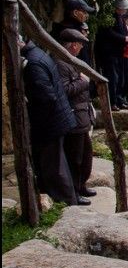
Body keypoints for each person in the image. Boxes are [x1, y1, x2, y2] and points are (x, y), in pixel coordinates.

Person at [22, 37, 79, 205]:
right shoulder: (38, 55)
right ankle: (67, 200)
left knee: (54, 168)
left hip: (51, 121)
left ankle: (66, 204)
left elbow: (46, 98)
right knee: (58, 164)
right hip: (58, 118)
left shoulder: (33, 64)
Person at [55, 29, 96, 202]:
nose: (80, 48)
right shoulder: (60, 64)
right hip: (73, 116)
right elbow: (64, 90)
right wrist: (83, 81)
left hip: (81, 115)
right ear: (73, 45)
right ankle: (74, 192)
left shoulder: (71, 61)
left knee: (85, 156)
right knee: (75, 157)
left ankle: (81, 186)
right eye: (79, 44)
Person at [96, 0, 128, 110]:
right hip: (110, 54)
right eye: (123, 9)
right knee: (113, 79)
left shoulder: (121, 18)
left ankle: (119, 100)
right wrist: (124, 38)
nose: (124, 11)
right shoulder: (110, 18)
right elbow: (108, 33)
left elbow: (123, 32)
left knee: (121, 79)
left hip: (119, 53)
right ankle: (112, 102)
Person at [51, 0, 96, 68]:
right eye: (84, 12)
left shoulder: (76, 27)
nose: (87, 15)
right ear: (75, 13)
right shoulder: (70, 32)